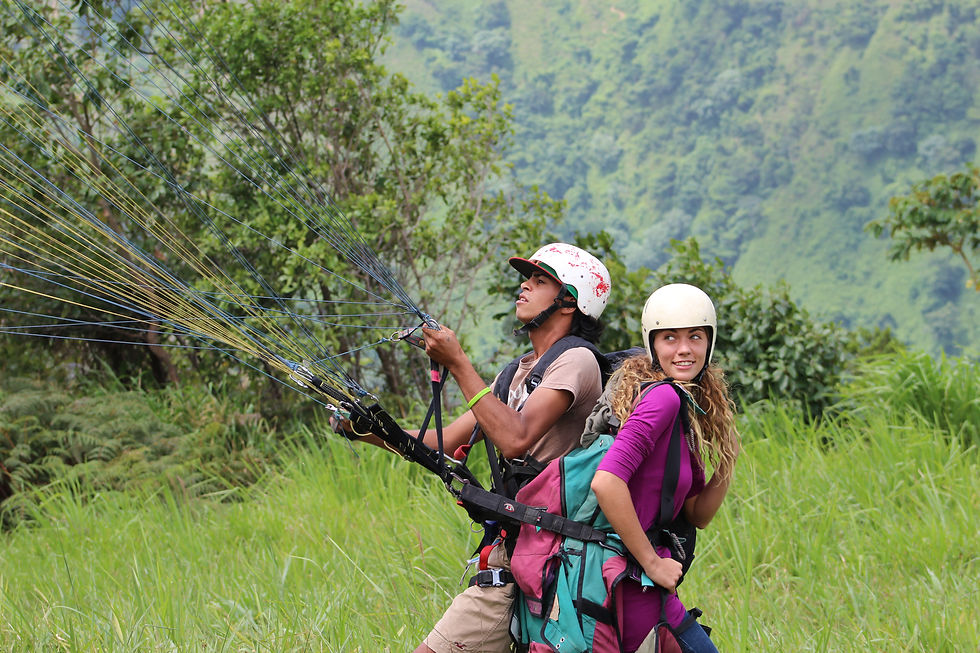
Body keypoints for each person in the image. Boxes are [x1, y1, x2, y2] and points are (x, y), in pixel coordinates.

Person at [337, 242, 610, 653]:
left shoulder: (577, 362)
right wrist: (368, 431)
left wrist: (459, 362)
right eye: (526, 278)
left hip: (558, 558)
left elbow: (516, 437)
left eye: (539, 281)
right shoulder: (514, 373)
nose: (523, 287)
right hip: (515, 550)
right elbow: (446, 442)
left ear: (569, 302)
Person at [590, 283, 739, 653]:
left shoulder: (680, 405)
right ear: (652, 343)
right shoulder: (663, 399)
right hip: (634, 584)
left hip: (636, 584)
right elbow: (607, 482)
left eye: (695, 337)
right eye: (670, 337)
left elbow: (697, 513)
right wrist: (653, 563)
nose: (684, 349)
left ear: (710, 342)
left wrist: (727, 458)